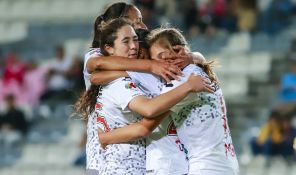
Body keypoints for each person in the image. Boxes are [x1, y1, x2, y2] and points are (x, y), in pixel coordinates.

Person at [75, 18, 213, 175]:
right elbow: (147, 115)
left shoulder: (152, 77)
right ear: (109, 48)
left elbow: (96, 77)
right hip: (129, 166)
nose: (134, 47)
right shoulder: (121, 83)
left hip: (154, 162)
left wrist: (192, 57)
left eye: (135, 41)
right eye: (126, 41)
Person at [98, 27, 239, 175]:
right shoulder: (196, 71)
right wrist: (195, 57)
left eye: (161, 57)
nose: (159, 65)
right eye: (154, 60)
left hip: (207, 166)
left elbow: (147, 119)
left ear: (177, 51)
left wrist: (105, 137)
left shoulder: (183, 83)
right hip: (225, 162)